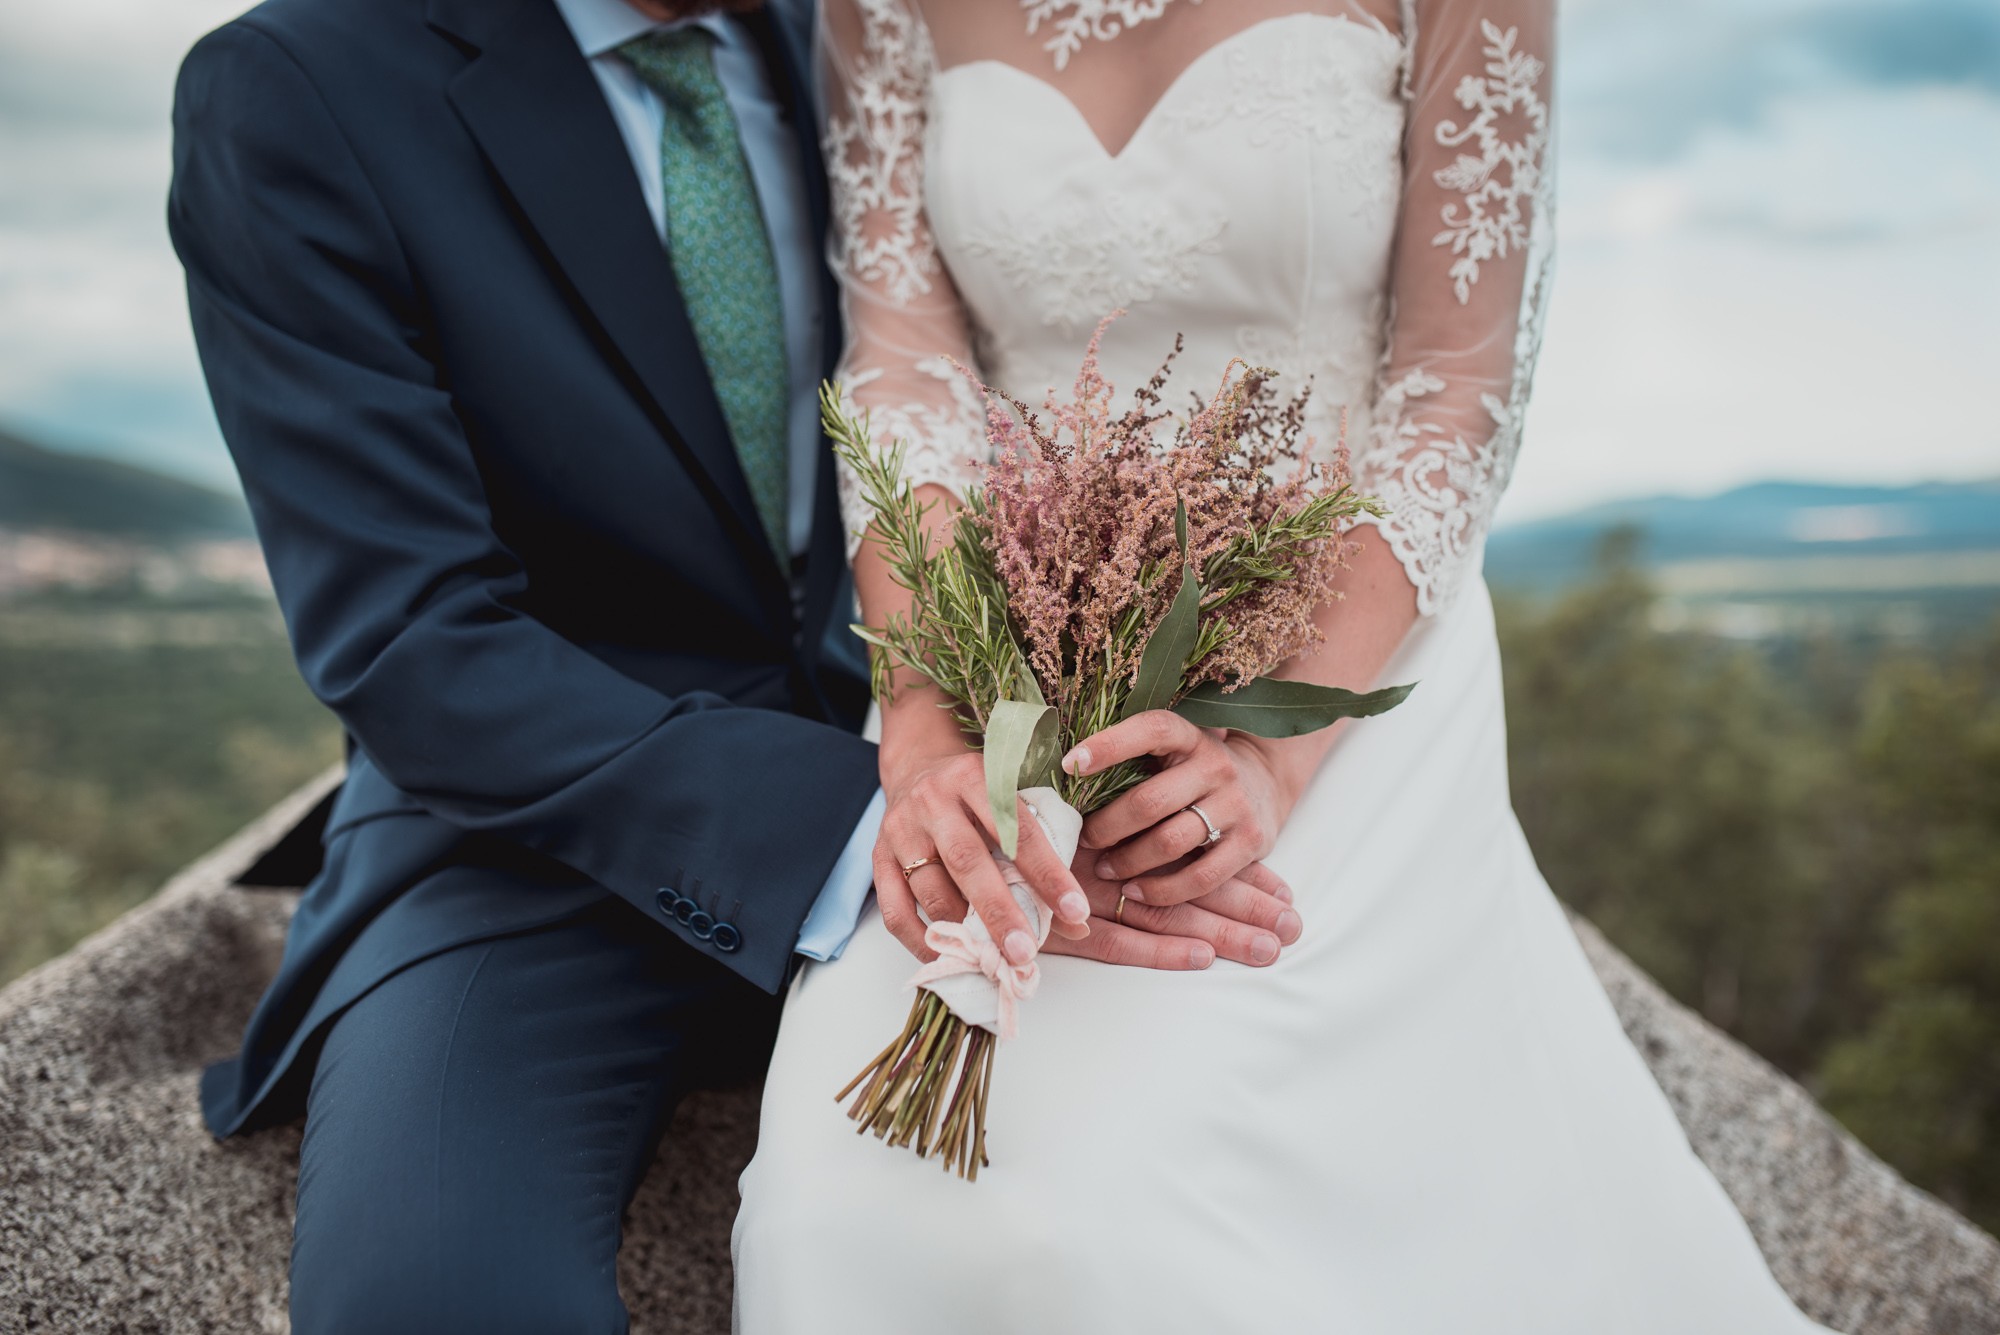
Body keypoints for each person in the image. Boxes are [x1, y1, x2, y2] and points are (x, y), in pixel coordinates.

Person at [167, 0, 1294, 1329]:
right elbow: (411, 642)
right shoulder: (299, 89)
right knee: (439, 1295)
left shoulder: (859, 38)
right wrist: (882, 815)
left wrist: (1043, 772)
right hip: (530, 851)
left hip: (992, 778)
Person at [732, 2, 1839, 1331]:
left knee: (1121, 1222)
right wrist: (925, 715)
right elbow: (907, 358)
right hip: (1001, 664)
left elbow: (1455, 378)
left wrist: (1267, 755)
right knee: (832, 1203)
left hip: (1339, 667)